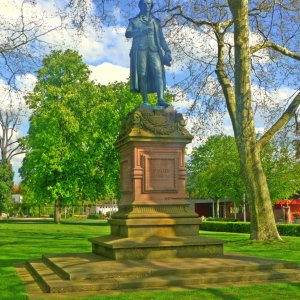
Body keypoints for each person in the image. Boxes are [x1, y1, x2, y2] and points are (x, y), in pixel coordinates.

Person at [125, 0, 172, 108]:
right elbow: (128, 33)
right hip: (140, 50)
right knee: (142, 74)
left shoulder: (156, 21)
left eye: (149, 4)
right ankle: (145, 101)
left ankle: (161, 99)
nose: (147, 5)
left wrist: (167, 50)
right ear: (140, 5)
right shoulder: (134, 20)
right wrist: (141, 31)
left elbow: (161, 38)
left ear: (151, 6)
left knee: (158, 73)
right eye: (145, 3)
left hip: (154, 50)